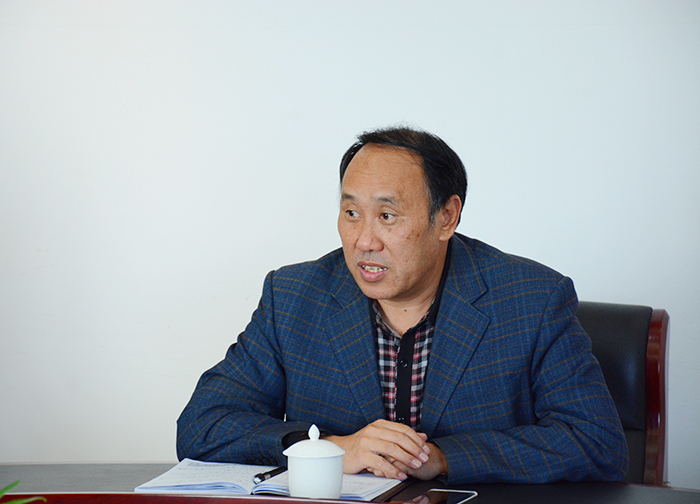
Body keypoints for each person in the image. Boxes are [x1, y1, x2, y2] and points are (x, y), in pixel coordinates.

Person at [176, 126, 629, 484]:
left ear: (446, 218)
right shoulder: (295, 297)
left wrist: (444, 457)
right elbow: (202, 424)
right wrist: (328, 448)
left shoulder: (531, 299)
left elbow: (597, 444)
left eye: (387, 216)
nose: (364, 241)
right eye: (351, 213)